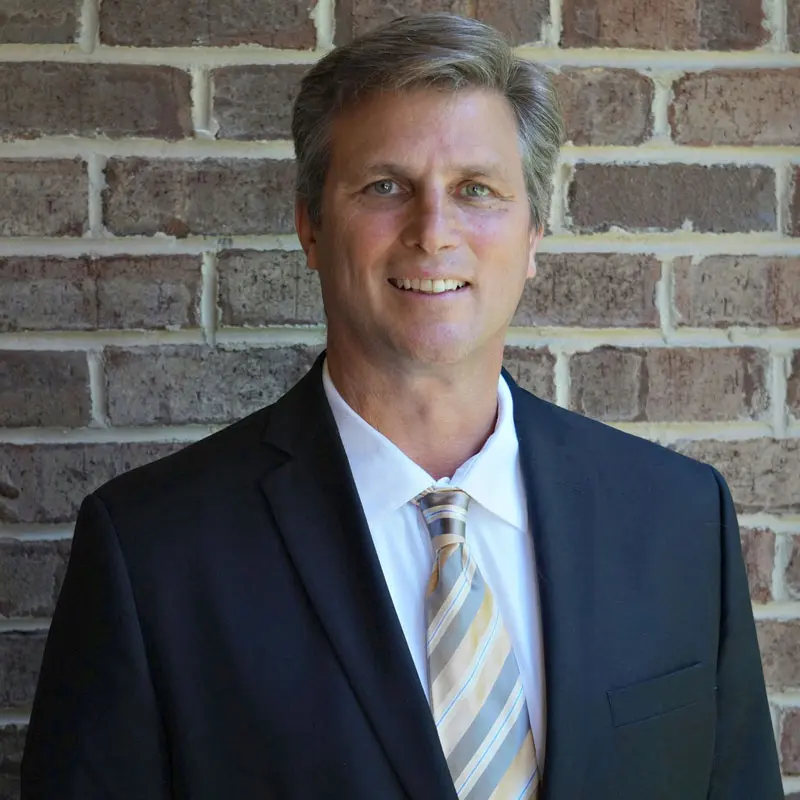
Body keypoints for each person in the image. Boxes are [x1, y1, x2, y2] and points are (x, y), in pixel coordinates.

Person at [21, 13, 783, 800]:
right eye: (386, 187)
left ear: (532, 238)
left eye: (477, 190)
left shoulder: (678, 518)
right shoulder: (153, 552)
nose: (433, 231)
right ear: (310, 227)